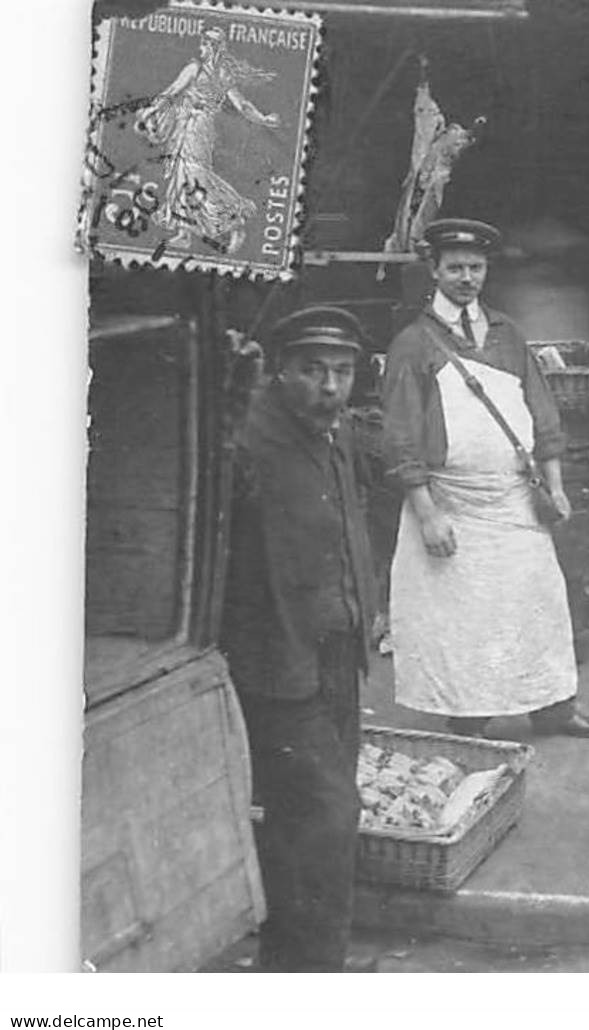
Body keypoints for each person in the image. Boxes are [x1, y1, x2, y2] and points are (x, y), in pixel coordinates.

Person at [384, 219, 589, 739]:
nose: (466, 277)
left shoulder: (507, 334)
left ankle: (553, 705)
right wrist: (426, 514)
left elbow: (542, 411)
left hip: (514, 500)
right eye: (455, 267)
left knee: (539, 603)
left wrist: (553, 484)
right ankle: (469, 715)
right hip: (452, 502)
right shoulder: (413, 344)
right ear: (435, 271)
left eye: (476, 267)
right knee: (464, 616)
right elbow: (401, 437)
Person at [220, 307, 376, 972]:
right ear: (281, 371)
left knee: (302, 819)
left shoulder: (336, 433)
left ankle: (290, 964)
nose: (329, 386)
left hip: (340, 653)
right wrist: (230, 397)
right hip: (278, 658)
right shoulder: (250, 437)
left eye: (341, 372)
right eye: (312, 371)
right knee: (329, 812)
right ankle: (313, 975)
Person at [134, 24, 281, 254]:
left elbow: (240, 104)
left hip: (197, 128)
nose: (201, 48)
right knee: (181, 174)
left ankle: (234, 223)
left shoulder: (209, 71)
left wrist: (262, 119)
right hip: (186, 125)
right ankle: (184, 233)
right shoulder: (212, 71)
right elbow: (174, 91)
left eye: (205, 44)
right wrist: (153, 110)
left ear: (213, 47)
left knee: (195, 176)